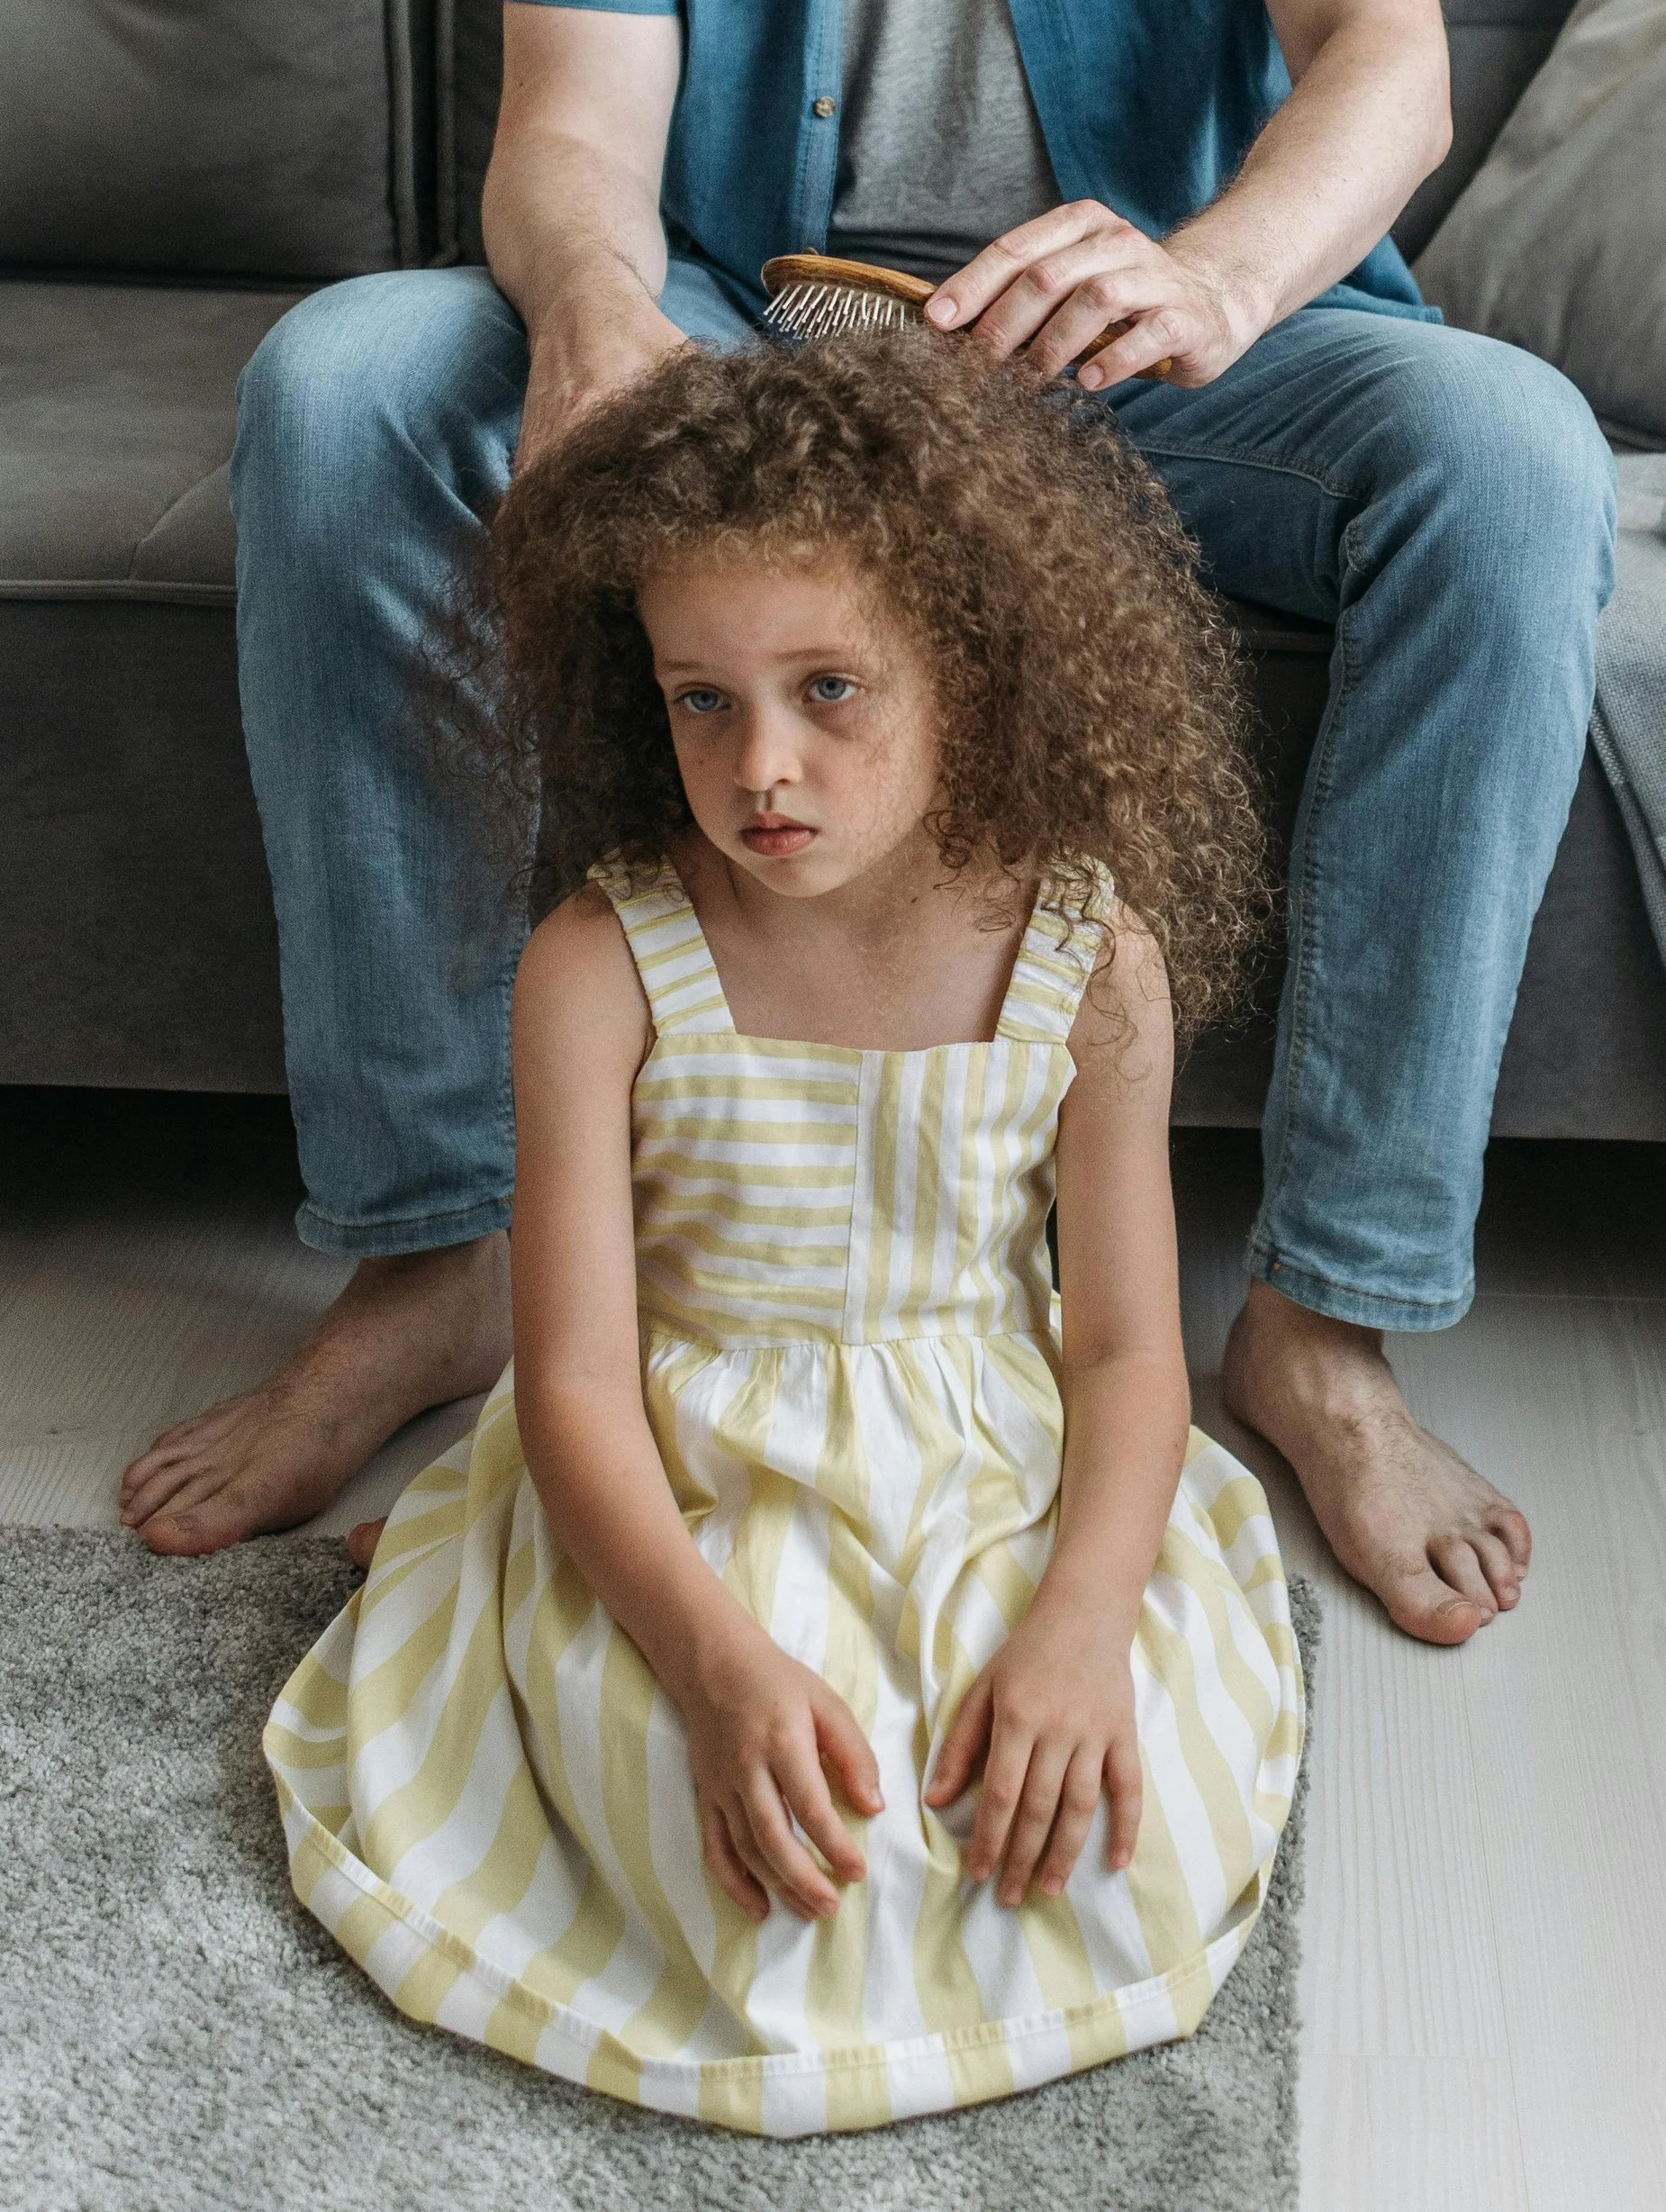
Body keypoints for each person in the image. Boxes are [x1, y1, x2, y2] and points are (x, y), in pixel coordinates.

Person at [123, 0, 1616, 1644]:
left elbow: (1382, 58)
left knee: (1501, 457)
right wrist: (598, 321)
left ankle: (1336, 1330)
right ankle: (431, 1253)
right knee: (344, 383)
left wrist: (1212, 264)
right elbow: (576, 134)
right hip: (754, 341)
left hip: (1138, 345)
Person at [265, 336, 1302, 2134]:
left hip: (981, 1459)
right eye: (700, 700)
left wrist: (1074, 1622)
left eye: (832, 688)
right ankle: (527, 1607)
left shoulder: (1080, 954)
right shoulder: (602, 965)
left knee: (1040, 1806)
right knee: (715, 1812)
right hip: (685, 1469)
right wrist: (713, 1660)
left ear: (974, 672)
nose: (762, 768)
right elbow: (576, 1375)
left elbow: (1128, 1349)